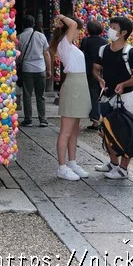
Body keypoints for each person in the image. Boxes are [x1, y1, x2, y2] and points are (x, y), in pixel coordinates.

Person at [92, 16, 133, 180]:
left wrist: (124, 84)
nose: (110, 30)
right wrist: (99, 79)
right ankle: (113, 163)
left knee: (125, 132)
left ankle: (123, 169)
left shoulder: (131, 53)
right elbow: (96, 68)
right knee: (107, 131)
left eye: (114, 27)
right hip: (107, 97)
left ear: (123, 33)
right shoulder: (103, 50)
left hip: (126, 98)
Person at [49, 14, 92, 181]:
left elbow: (73, 25)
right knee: (66, 131)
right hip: (74, 85)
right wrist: (60, 16)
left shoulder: (69, 46)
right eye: (77, 30)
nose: (78, 32)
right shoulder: (64, 44)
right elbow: (73, 24)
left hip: (79, 84)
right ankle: (62, 167)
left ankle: (72, 163)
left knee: (75, 130)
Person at [17, 16, 52, 127]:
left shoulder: (20, 37)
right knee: (40, 95)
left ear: (23, 25)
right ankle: (43, 119)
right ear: (33, 24)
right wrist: (49, 69)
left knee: (27, 95)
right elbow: (46, 53)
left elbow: (18, 56)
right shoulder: (41, 36)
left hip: (27, 68)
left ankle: (28, 119)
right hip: (40, 68)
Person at [80, 21, 108, 130]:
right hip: (101, 71)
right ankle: (99, 117)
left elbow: (82, 54)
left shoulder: (86, 41)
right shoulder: (105, 42)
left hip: (88, 70)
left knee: (93, 95)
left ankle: (96, 119)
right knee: (99, 95)